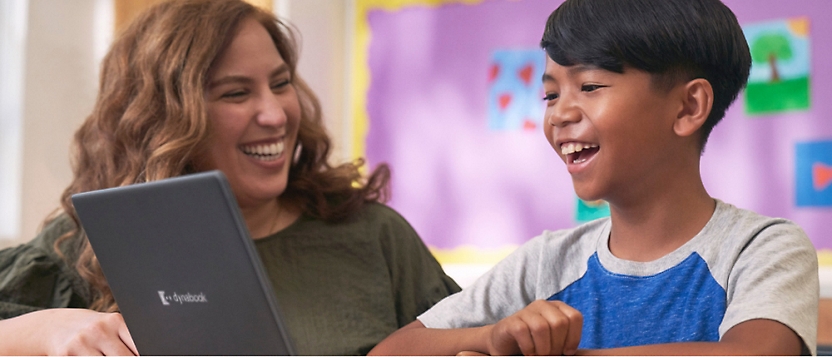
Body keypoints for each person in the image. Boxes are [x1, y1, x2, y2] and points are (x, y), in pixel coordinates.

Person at [0, 0, 460, 355]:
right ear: (163, 119)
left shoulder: (376, 238)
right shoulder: (90, 244)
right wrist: (47, 329)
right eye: (237, 93)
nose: (275, 113)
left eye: (281, 83)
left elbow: (479, 339)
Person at [369, 0, 818, 355]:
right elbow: (392, 352)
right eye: (550, 94)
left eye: (590, 87)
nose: (560, 114)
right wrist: (491, 338)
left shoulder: (761, 248)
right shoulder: (545, 264)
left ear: (688, 108)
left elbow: (756, 353)